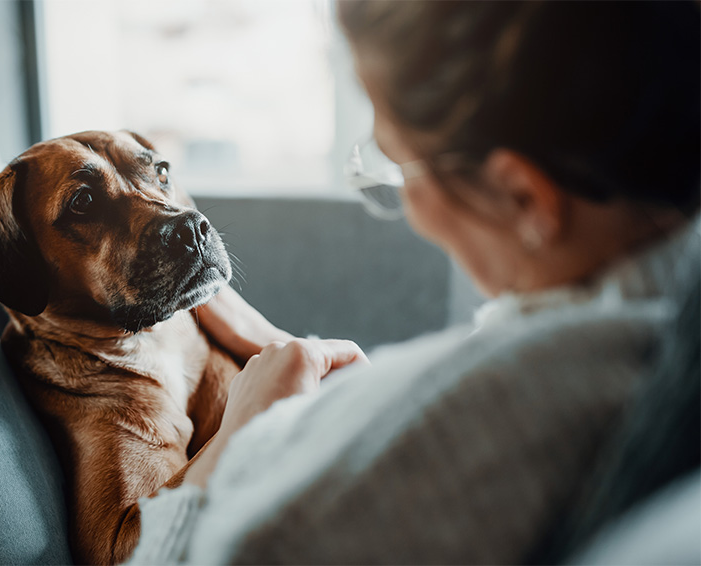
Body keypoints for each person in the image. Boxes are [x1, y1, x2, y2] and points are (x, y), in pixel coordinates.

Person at [125, 1, 700, 564]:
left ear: (524, 199)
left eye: (397, 165)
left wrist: (243, 434)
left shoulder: (487, 414)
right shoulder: (659, 308)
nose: (412, 211)